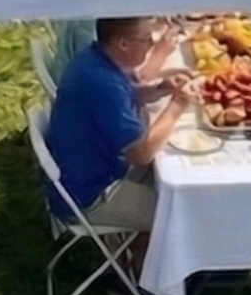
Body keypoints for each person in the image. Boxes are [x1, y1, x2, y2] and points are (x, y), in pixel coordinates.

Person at [42, 17, 196, 234]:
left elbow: (126, 95)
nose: (152, 44)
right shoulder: (104, 84)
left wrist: (161, 88)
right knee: (184, 213)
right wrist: (178, 106)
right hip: (89, 195)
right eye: (146, 39)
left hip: (89, 170)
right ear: (123, 43)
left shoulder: (94, 58)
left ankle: (142, 248)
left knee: (175, 175)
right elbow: (141, 154)